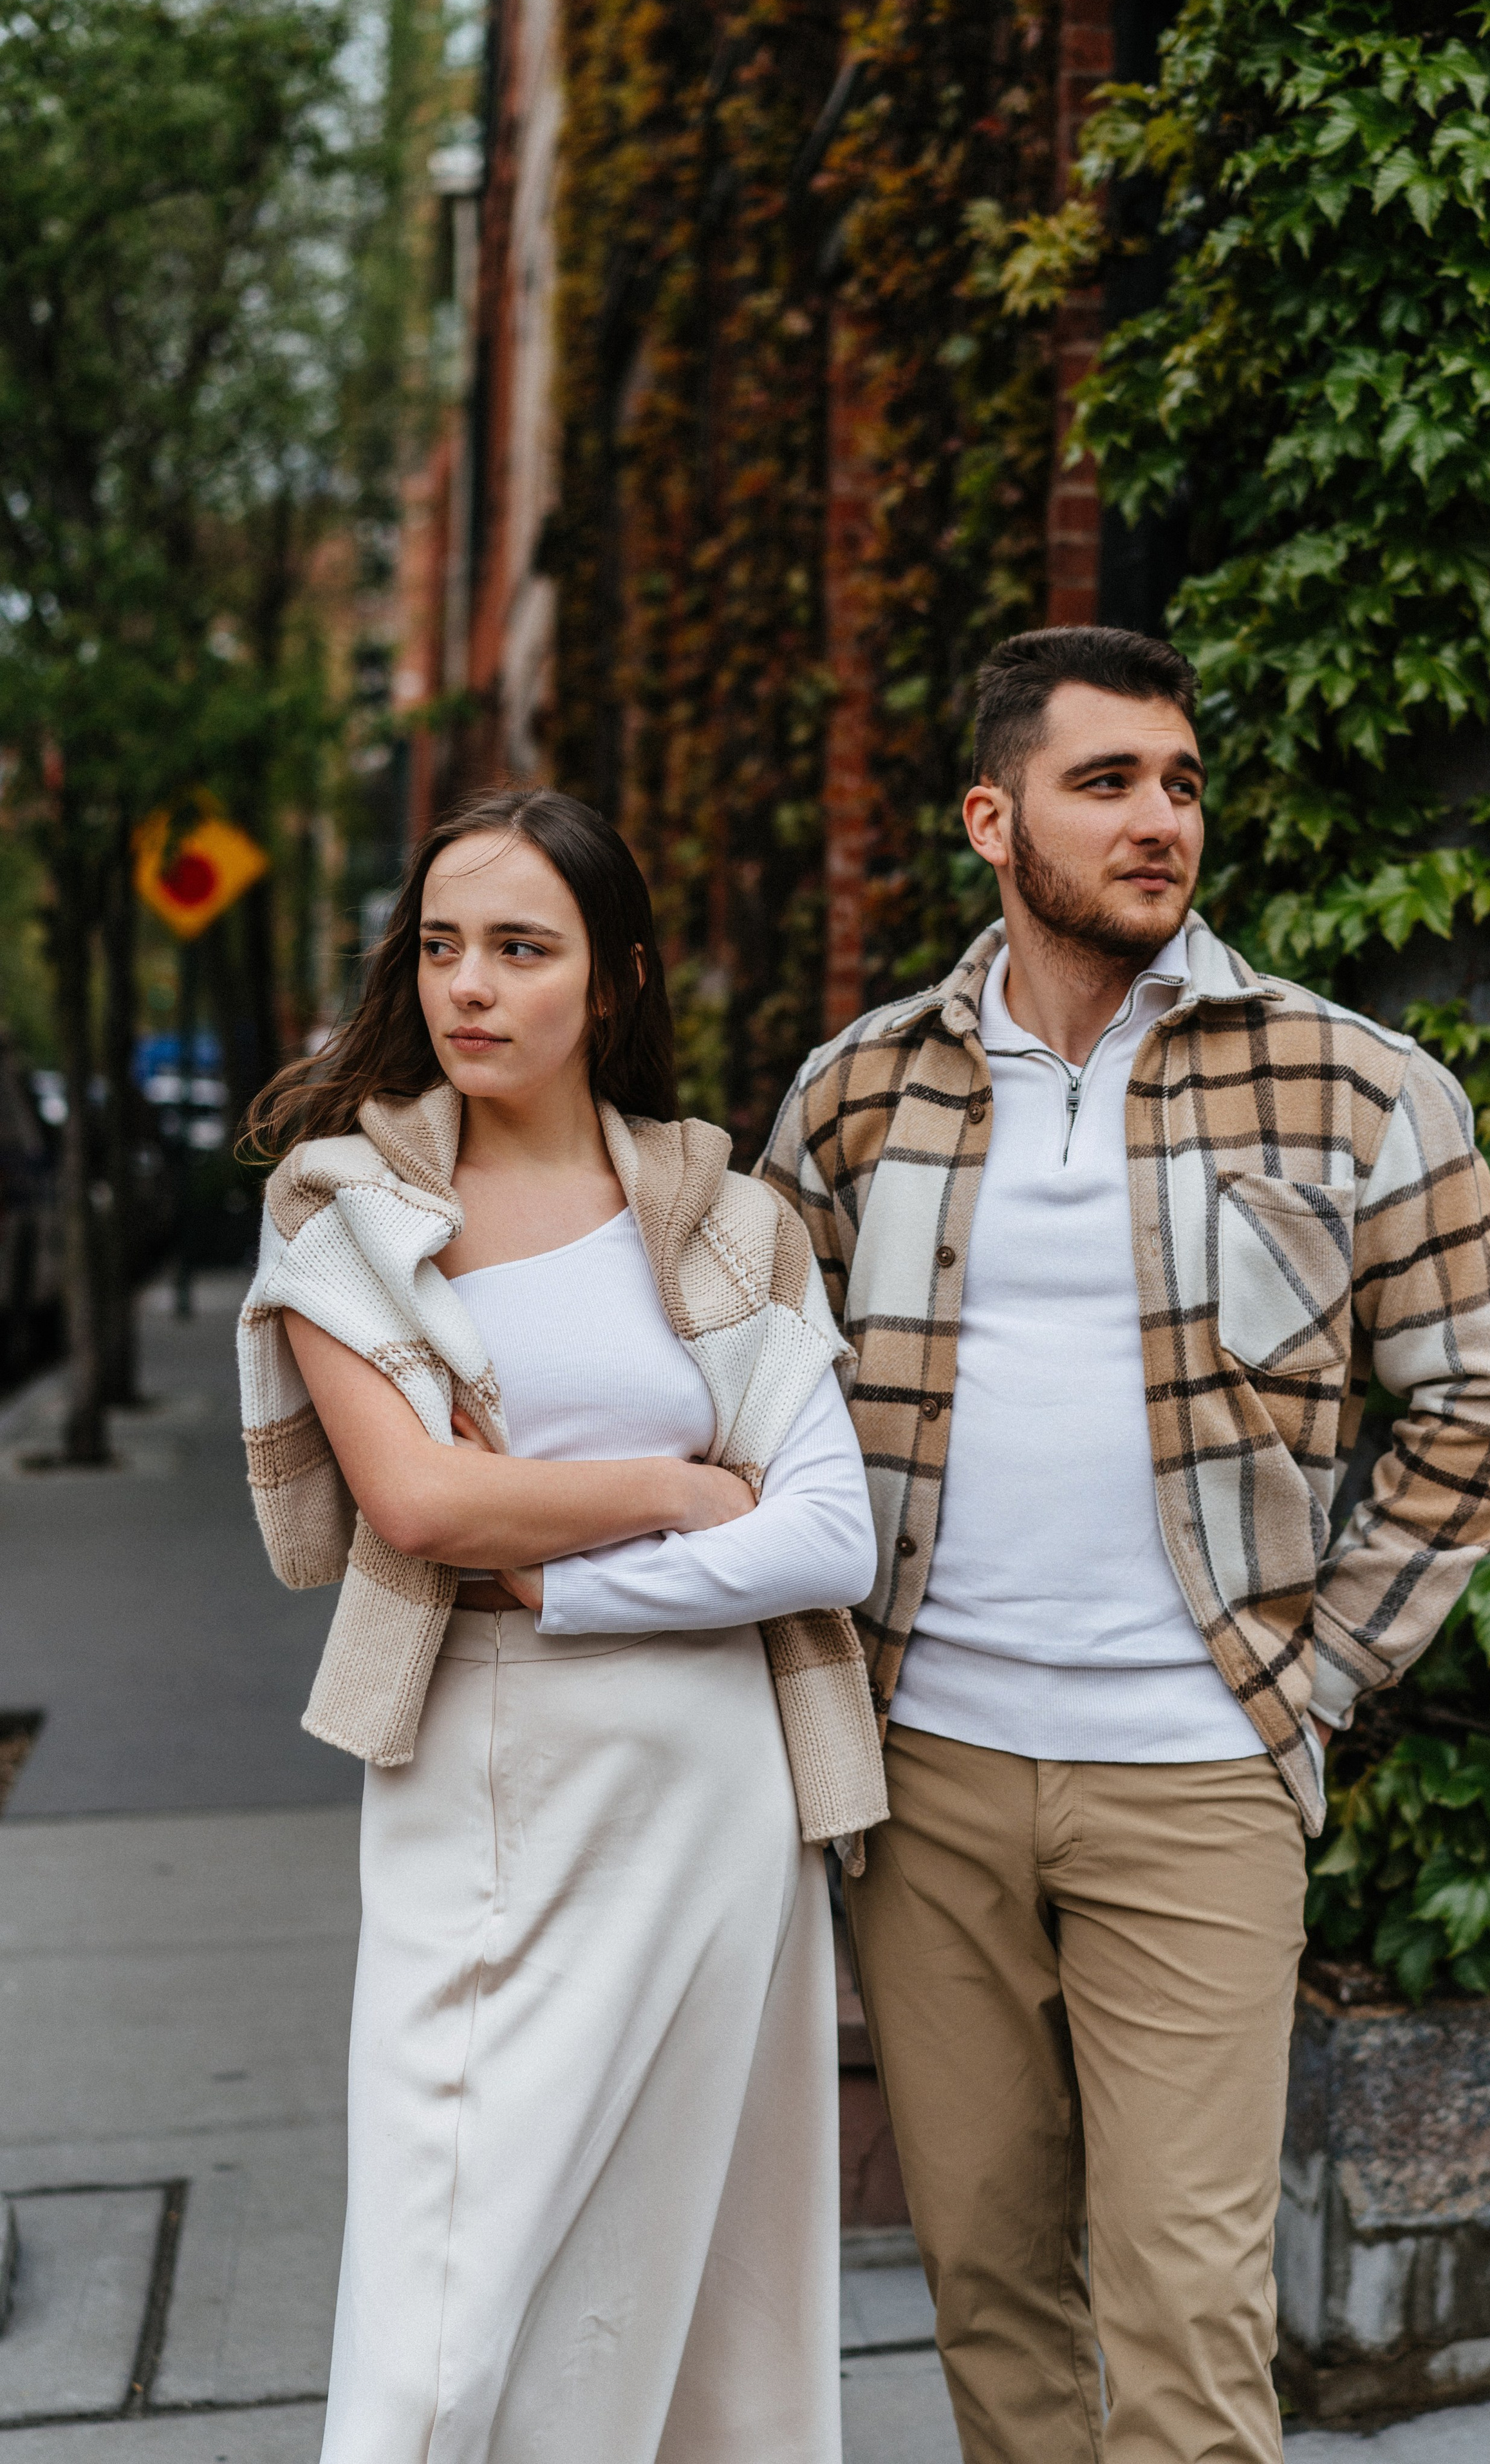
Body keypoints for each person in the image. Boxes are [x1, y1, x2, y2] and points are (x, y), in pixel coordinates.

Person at [756, 625, 1490, 2464]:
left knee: (1190, 2309)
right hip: (927, 1772)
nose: (1159, 820)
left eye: (1182, 783)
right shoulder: (856, 1097)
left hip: (1197, 1774)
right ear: (991, 815)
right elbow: (757, 1412)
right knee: (987, 2286)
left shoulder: (1350, 1085)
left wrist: (1327, 1659)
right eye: (1105, 781)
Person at [237, 788, 886, 2464]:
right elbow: (424, 1504)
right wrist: (677, 1490)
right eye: (442, 945)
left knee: (705, 2264)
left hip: (722, 1789)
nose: (471, 985)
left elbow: (827, 1531)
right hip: (486, 1772)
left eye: (523, 948)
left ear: (615, 983)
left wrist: (573, 1556)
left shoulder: (730, 1217)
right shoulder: (344, 1207)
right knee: (446, 2286)